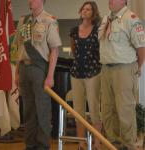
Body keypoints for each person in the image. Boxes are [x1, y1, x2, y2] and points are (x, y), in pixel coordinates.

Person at [14, 0, 62, 149]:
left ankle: (42, 145)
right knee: (27, 110)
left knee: (42, 110)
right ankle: (30, 144)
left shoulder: (49, 20)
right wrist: (16, 71)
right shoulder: (23, 20)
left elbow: (55, 50)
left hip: (39, 69)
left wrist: (50, 76)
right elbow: (19, 46)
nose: (30, 1)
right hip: (23, 68)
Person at [98, 0, 145, 150]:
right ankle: (113, 143)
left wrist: (136, 67)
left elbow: (141, 48)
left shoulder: (131, 19)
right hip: (106, 68)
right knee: (107, 109)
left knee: (125, 109)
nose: (109, 1)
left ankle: (129, 145)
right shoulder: (106, 18)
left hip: (124, 68)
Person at [69, 1, 102, 150]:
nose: (85, 11)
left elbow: (100, 51)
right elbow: (74, 49)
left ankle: (97, 142)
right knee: (78, 110)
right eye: (83, 8)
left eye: (88, 9)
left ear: (93, 13)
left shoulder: (97, 30)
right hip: (76, 73)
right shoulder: (74, 30)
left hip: (93, 72)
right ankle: (81, 142)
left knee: (94, 108)